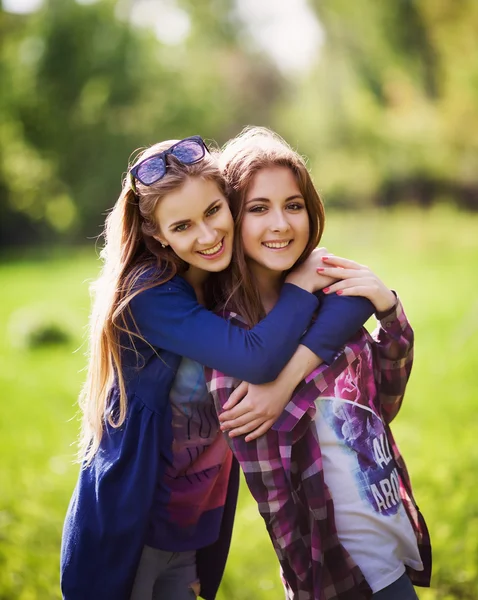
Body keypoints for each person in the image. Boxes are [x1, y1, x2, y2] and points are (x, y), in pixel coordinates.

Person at [60, 135, 374, 600]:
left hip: (191, 532)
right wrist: (301, 289)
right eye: (183, 226)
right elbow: (257, 357)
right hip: (127, 533)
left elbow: (353, 302)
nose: (207, 236)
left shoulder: (229, 275)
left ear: (230, 205)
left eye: (213, 212)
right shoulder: (151, 295)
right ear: (157, 235)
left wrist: (288, 369)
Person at [205, 127, 431, 599]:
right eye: (258, 208)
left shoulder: (330, 302)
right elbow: (272, 477)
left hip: (388, 526)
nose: (281, 224)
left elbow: (380, 405)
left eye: (293, 205)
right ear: (231, 219)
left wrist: (388, 311)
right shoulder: (230, 341)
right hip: (334, 564)